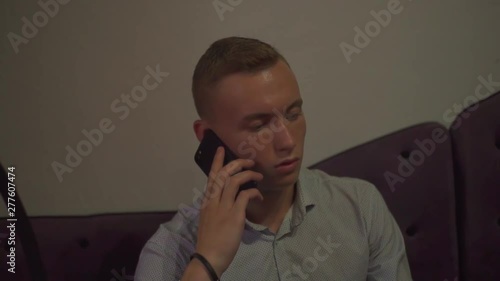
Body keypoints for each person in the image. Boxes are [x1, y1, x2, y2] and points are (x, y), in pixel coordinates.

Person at [134, 36, 413, 281]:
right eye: (259, 127)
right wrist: (207, 263)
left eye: (293, 114)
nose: (288, 141)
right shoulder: (170, 252)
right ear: (208, 136)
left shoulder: (361, 208)